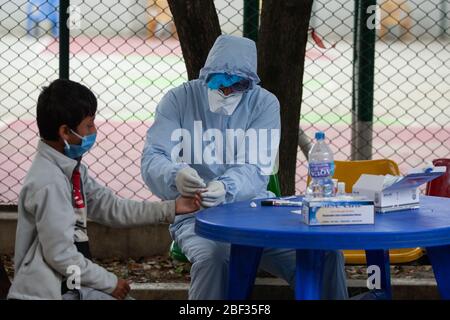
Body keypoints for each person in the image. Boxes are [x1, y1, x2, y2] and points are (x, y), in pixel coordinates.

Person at [141, 35, 348, 300]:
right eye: (219, 83)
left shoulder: (264, 103)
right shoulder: (179, 99)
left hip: (256, 210)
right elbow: (154, 156)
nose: (227, 92)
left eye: (236, 84)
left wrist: (225, 187)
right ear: (206, 75)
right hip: (196, 213)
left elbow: (255, 167)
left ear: (250, 82)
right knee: (212, 260)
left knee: (325, 254)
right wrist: (174, 175)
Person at [7, 79, 201, 300]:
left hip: (71, 285)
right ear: (65, 132)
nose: (94, 131)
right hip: (48, 293)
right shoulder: (49, 182)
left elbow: (113, 208)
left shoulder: (70, 170)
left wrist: (172, 208)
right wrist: (109, 283)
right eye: (88, 125)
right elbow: (60, 255)